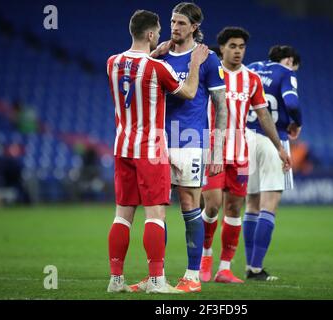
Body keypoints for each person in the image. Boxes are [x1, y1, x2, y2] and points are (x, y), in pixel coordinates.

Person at [106, 9, 209, 294]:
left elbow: (134, 71)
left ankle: (116, 280)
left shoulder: (112, 63)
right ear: (151, 34)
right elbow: (188, 92)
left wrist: (154, 52)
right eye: (160, 31)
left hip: (122, 146)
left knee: (122, 216)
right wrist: (196, 63)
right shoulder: (157, 68)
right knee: (155, 216)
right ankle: (156, 281)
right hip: (150, 148)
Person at [131, 2, 228, 293]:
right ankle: (156, 275)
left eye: (182, 23)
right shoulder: (159, 56)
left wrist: (219, 149)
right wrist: (152, 52)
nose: (175, 27)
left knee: (189, 205)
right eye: (173, 22)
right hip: (159, 140)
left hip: (190, 141)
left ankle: (192, 275)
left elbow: (221, 107)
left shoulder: (208, 59)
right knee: (155, 210)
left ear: (195, 27)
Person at [200, 27, 291, 284]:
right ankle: (205, 257)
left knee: (234, 208)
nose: (238, 51)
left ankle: (224, 268)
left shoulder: (251, 79)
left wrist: (279, 147)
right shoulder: (210, 73)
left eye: (242, 46)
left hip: (241, 152)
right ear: (223, 48)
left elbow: (263, 115)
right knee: (213, 204)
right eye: (233, 46)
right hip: (213, 149)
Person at [242, 45, 302, 281]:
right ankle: (256, 268)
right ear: (289, 60)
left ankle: (249, 265)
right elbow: (293, 103)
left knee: (251, 206)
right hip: (273, 138)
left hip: (245, 138)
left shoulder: (251, 69)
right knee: (269, 206)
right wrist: (298, 122)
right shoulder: (286, 73)